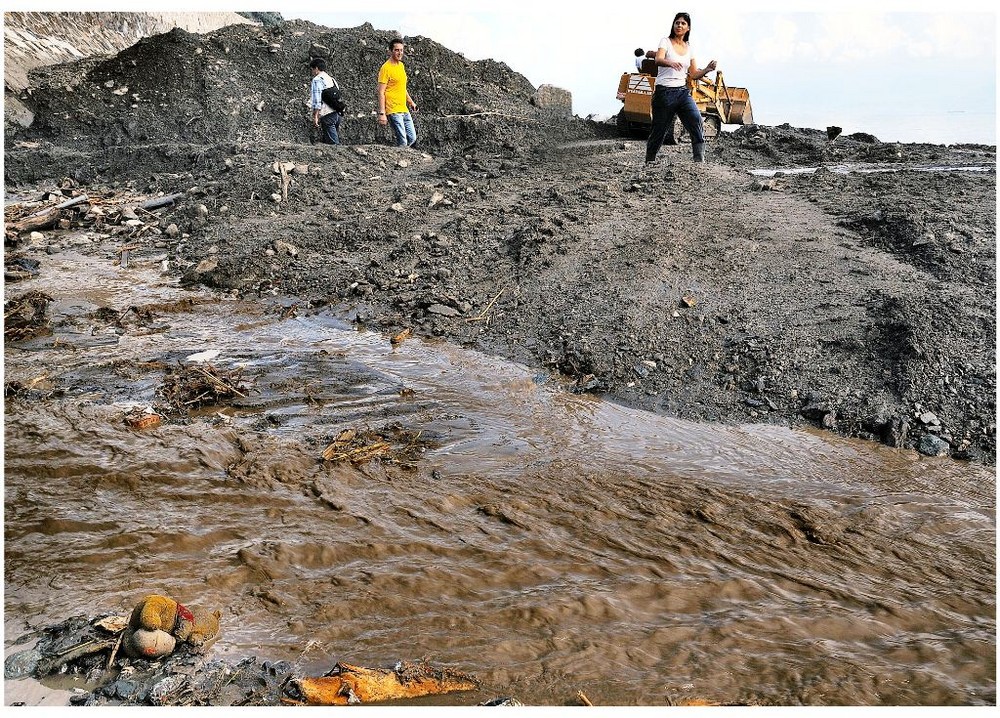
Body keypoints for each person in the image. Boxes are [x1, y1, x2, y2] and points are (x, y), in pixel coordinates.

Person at [644, 12, 717, 164]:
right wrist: (669, 62)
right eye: (677, 23)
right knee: (659, 130)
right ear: (673, 25)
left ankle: (699, 161)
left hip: (682, 92)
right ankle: (649, 161)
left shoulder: (689, 47)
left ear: (688, 28)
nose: (679, 25)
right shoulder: (665, 41)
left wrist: (707, 70)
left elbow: (694, 74)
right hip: (664, 92)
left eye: (683, 23)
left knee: (696, 120)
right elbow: (658, 59)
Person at [377, 38, 418, 147]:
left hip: (403, 108)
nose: (400, 53)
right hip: (393, 109)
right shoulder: (385, 68)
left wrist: (411, 102)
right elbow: (381, 92)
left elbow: (402, 88)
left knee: (412, 137)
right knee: (403, 141)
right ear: (390, 51)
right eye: (396, 50)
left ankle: (400, 154)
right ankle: (403, 160)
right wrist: (382, 113)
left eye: (401, 50)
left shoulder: (401, 66)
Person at [309, 58, 341, 145]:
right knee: (329, 142)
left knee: (333, 145)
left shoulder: (317, 80)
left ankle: (337, 158)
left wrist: (315, 116)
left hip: (327, 115)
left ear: (316, 68)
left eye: (312, 69)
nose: (312, 72)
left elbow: (317, 100)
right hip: (337, 114)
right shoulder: (332, 79)